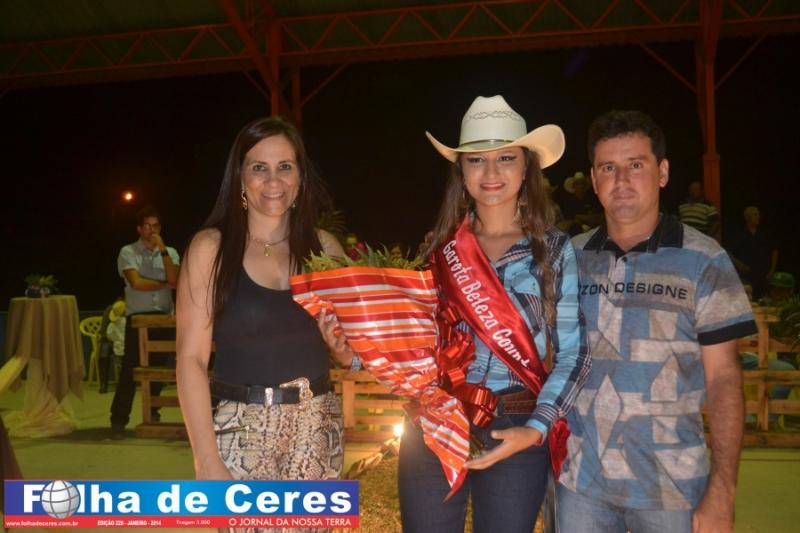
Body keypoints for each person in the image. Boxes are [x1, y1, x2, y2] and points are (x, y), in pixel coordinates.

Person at [558, 110, 757, 533]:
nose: (621, 179)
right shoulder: (569, 259)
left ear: (662, 172)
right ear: (593, 179)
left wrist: (723, 491)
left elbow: (724, 379)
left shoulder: (704, 260)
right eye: (608, 168)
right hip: (581, 487)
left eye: (636, 165)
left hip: (674, 491)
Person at [403, 95, 590, 533]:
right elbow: (411, 341)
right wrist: (354, 349)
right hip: (435, 422)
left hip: (517, 425)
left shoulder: (553, 249)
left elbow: (573, 354)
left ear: (527, 168)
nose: (491, 173)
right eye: (476, 160)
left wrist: (536, 428)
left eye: (506, 158)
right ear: (461, 171)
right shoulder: (439, 247)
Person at [176, 118, 355, 508]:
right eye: (259, 168)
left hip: (317, 425)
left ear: (300, 178)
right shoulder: (210, 249)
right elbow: (190, 360)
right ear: (240, 178)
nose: (274, 180)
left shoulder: (326, 249)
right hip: (240, 430)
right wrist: (206, 461)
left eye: (285, 167)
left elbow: (351, 354)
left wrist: (344, 348)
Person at [110, 206, 180, 439]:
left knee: (159, 370)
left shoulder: (170, 251)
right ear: (139, 229)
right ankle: (118, 420)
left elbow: (175, 279)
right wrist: (164, 284)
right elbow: (136, 283)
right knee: (130, 371)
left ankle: (153, 411)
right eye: (147, 226)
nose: (152, 230)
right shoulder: (128, 251)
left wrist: (163, 251)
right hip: (138, 319)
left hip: (163, 319)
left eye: (156, 226)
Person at [728, 206, 779, 299]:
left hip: (763, 274)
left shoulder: (765, 233)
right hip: (746, 275)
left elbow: (774, 250)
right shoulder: (739, 233)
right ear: (747, 217)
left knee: (764, 299)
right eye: (755, 214)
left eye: (758, 214)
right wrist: (739, 264)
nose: (758, 217)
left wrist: (772, 270)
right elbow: (729, 253)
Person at [558, 171, 603, 235]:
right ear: (574, 186)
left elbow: (598, 214)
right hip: (577, 231)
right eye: (578, 184)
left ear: (585, 185)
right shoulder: (569, 201)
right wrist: (585, 218)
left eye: (582, 184)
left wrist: (582, 217)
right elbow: (569, 218)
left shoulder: (592, 198)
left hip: (595, 227)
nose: (580, 186)